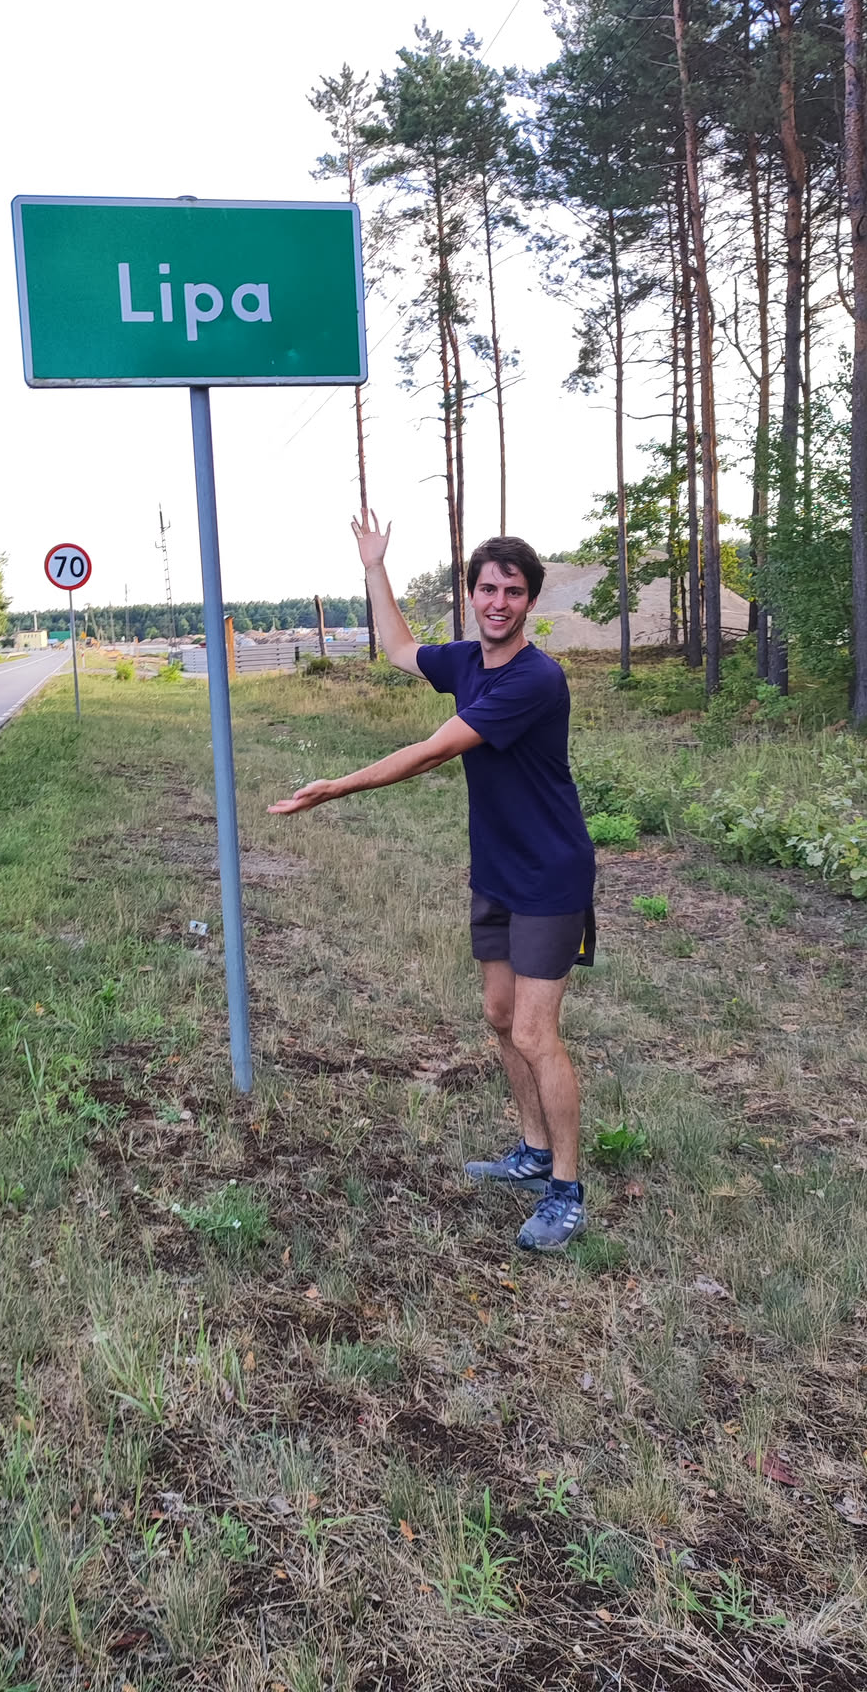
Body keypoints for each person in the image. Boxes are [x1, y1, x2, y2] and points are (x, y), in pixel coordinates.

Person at [268, 514, 596, 1253]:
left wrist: (338, 786)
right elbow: (397, 649)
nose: (499, 602)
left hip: (550, 875)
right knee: (500, 1016)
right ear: (471, 594)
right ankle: (531, 1151)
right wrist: (374, 566)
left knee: (535, 1032)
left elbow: (431, 751)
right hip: (498, 868)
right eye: (488, 589)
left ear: (530, 601)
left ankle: (566, 1189)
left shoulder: (535, 678)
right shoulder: (468, 662)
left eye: (514, 591)